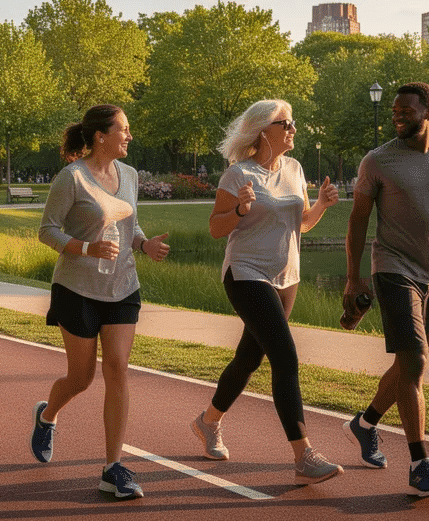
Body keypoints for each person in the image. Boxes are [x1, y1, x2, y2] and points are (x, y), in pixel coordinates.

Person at [189, 100, 344, 485]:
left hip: (286, 277)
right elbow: (215, 228)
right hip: (246, 274)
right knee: (286, 356)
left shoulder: (294, 169)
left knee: (248, 359)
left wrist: (322, 205)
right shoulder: (238, 175)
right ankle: (303, 455)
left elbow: (302, 223)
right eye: (285, 123)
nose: (293, 128)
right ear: (263, 131)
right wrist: (240, 210)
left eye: (292, 123)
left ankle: (208, 422)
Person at [342, 82, 429, 498]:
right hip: (393, 268)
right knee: (415, 360)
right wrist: (353, 276)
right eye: (395, 110)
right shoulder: (378, 160)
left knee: (407, 366)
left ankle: (364, 424)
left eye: (406, 110)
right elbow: (358, 220)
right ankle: (420, 464)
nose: (398, 115)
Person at [29, 105, 170, 500]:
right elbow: (47, 230)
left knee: (119, 369)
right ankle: (47, 415)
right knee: (81, 377)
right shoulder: (71, 177)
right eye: (123, 130)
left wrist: (144, 244)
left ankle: (113, 467)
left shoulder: (130, 175)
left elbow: (130, 221)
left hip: (123, 286)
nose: (129, 136)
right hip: (76, 288)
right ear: (100, 136)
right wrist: (87, 248)